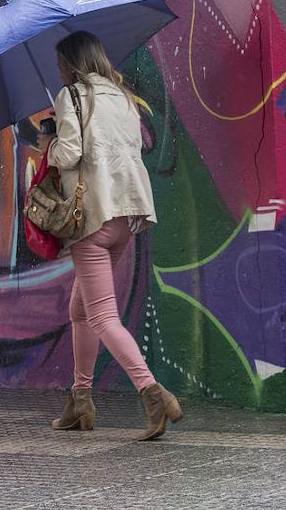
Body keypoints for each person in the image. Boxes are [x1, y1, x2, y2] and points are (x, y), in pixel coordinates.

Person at [38, 30, 182, 441]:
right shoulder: (122, 96)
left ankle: (152, 393)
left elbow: (70, 154)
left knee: (101, 315)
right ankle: (80, 398)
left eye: (60, 62)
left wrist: (47, 143)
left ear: (71, 62)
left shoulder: (73, 96)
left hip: (91, 217)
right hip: (126, 217)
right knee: (81, 309)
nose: (59, 70)